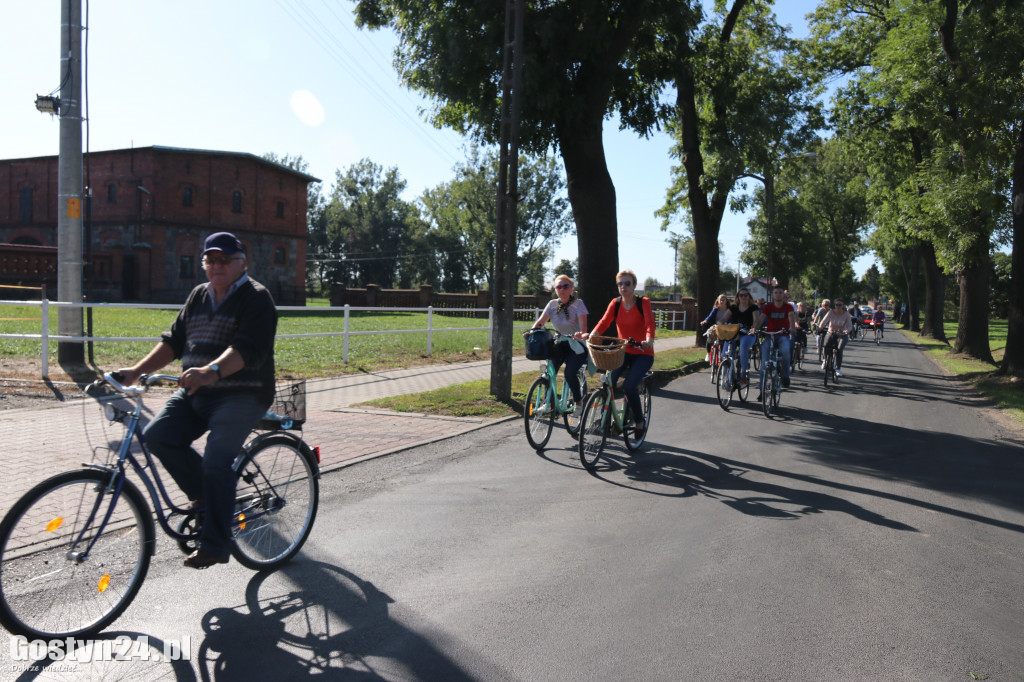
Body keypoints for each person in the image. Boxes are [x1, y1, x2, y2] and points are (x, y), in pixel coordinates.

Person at [116, 232, 278, 569]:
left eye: (225, 259)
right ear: (204, 264)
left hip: (243, 394)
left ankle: (216, 544)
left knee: (217, 459)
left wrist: (210, 371)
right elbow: (173, 342)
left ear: (242, 262)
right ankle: (204, 497)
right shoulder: (198, 296)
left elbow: (248, 349)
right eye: (211, 259)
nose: (217, 265)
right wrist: (135, 371)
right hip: (198, 392)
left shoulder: (257, 298)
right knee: (158, 435)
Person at [587, 269, 655, 437]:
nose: (623, 286)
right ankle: (604, 419)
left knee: (629, 386)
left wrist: (649, 340)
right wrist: (594, 333)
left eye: (627, 283)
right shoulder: (615, 303)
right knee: (608, 381)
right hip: (622, 352)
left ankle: (639, 422)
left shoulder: (643, 302)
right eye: (620, 283)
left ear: (633, 286)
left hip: (642, 353)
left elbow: (649, 324)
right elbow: (604, 322)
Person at [529, 274, 589, 405]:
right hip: (559, 343)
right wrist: (531, 333)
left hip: (576, 345)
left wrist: (581, 333)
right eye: (558, 286)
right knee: (549, 372)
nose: (562, 289)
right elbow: (540, 322)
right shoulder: (552, 304)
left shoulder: (578, 304)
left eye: (565, 286)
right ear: (555, 289)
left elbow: (584, 326)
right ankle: (548, 403)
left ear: (571, 288)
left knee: (569, 373)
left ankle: (578, 401)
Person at [751, 285, 796, 400]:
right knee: (764, 365)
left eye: (780, 292)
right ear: (772, 295)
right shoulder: (768, 307)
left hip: (782, 335)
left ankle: (785, 376)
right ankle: (762, 391)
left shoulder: (788, 307)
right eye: (776, 292)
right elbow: (761, 319)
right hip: (770, 335)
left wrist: (792, 327)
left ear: (784, 295)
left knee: (786, 350)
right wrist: (754, 328)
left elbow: (791, 318)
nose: (778, 294)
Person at [717, 287, 759, 385]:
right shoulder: (734, 307)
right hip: (734, 333)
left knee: (743, 347)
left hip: (748, 334)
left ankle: (743, 373)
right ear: (738, 297)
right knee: (725, 353)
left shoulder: (753, 307)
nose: (743, 297)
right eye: (741, 295)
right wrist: (719, 323)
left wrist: (754, 328)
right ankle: (725, 377)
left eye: (745, 295)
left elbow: (756, 320)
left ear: (749, 297)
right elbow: (724, 318)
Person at [820, 299, 854, 376]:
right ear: (834, 306)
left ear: (843, 306)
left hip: (842, 334)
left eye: (840, 305)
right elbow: (824, 321)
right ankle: (825, 360)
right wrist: (820, 327)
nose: (838, 306)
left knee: (839, 349)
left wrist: (846, 331)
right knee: (826, 345)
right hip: (831, 332)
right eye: (836, 305)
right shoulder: (831, 312)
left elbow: (849, 326)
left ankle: (838, 368)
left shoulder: (846, 314)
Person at [699, 294, 731, 362]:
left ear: (726, 301)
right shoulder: (715, 309)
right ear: (718, 301)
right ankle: (708, 354)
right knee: (709, 337)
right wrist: (705, 321)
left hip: (725, 328)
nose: (722, 301)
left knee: (723, 343)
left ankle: (722, 356)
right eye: (720, 300)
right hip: (715, 327)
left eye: (723, 300)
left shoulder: (729, 310)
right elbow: (709, 317)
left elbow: (731, 319)